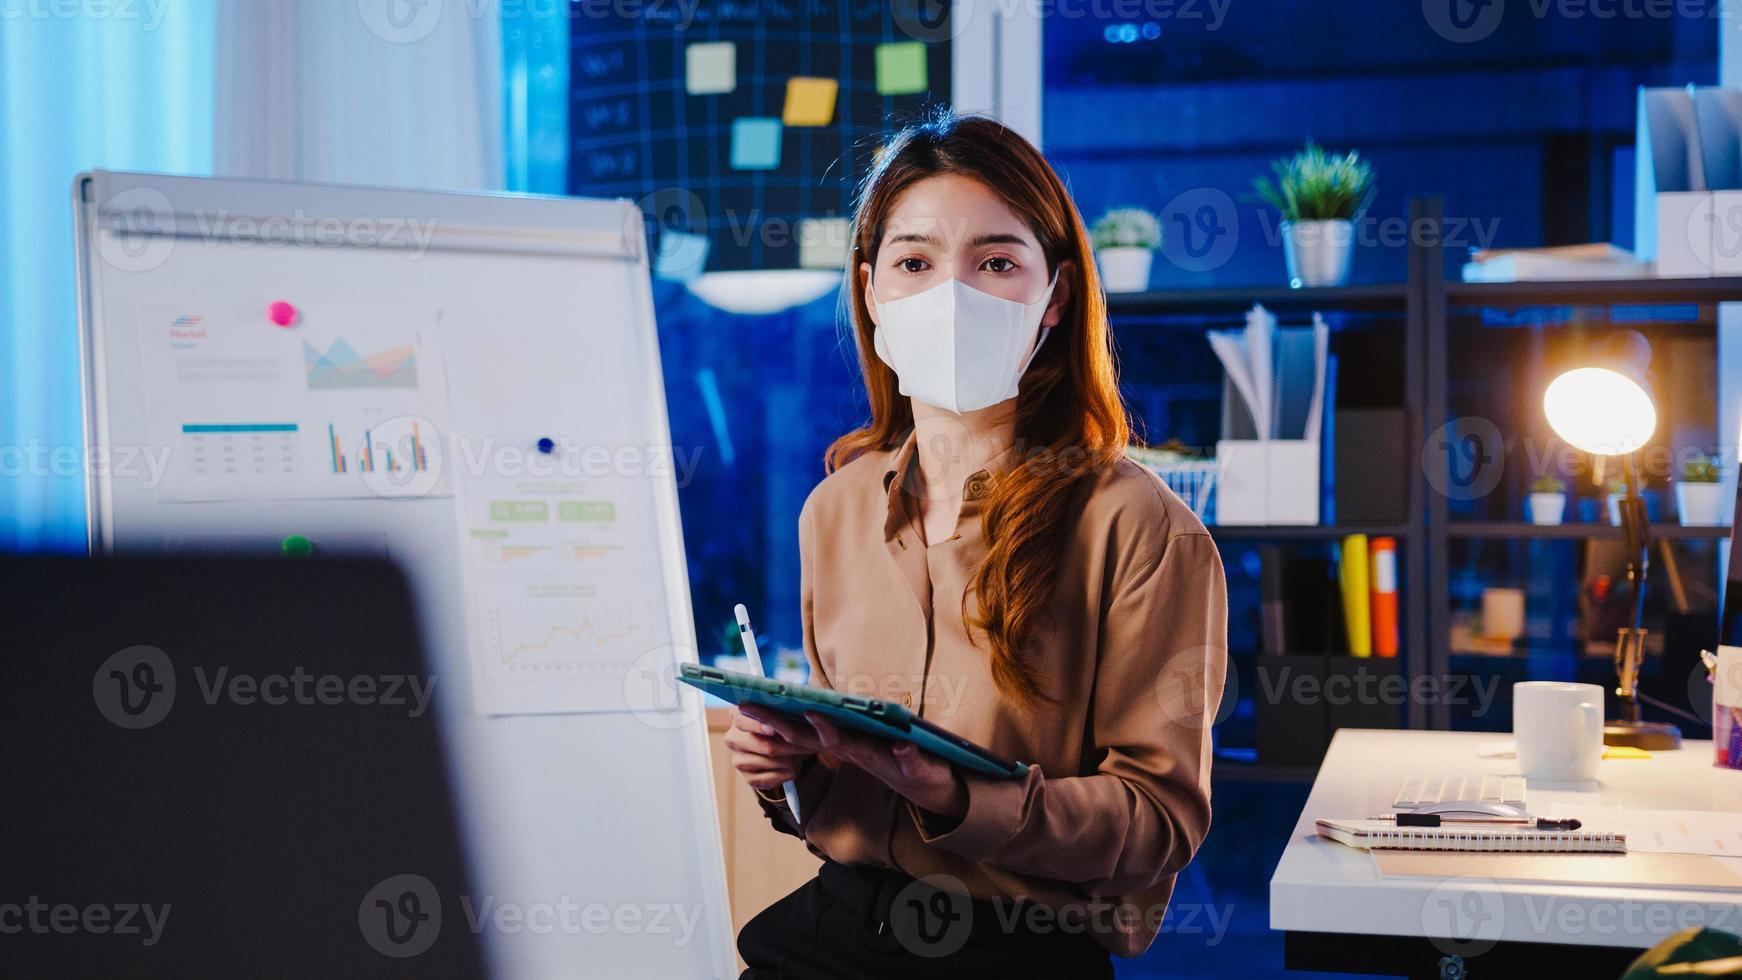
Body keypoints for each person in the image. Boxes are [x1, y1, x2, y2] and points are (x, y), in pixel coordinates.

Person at [724, 110, 1228, 979]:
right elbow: (827, 799)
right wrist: (783, 770)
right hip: (826, 933)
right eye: (914, 263)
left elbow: (1158, 824)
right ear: (872, 290)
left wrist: (961, 798)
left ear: (1055, 294)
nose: (948, 295)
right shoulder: (834, 509)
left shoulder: (1136, 527)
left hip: (1012, 954)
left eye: (995, 262)